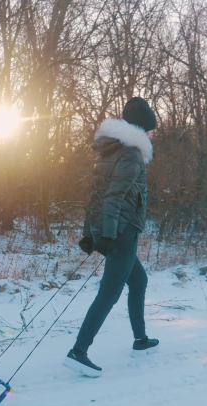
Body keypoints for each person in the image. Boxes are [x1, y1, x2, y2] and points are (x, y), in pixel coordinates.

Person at [64, 97, 160, 377]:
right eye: (151, 129)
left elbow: (97, 197)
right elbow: (113, 198)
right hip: (122, 232)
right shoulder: (131, 155)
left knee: (139, 280)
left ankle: (141, 340)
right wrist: (104, 236)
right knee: (109, 293)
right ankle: (79, 352)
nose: (154, 135)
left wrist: (90, 234)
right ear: (141, 128)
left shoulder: (111, 152)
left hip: (115, 231)